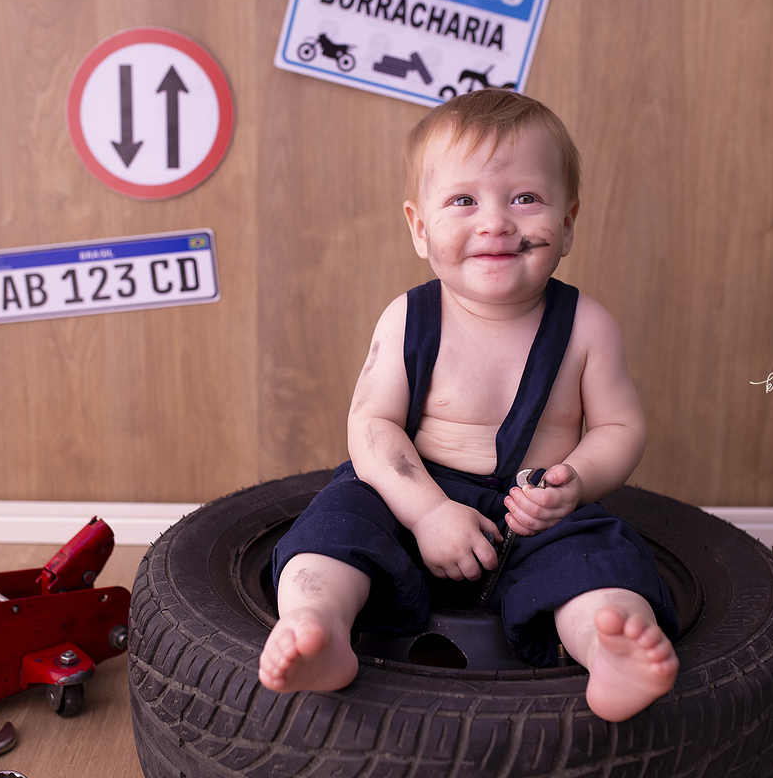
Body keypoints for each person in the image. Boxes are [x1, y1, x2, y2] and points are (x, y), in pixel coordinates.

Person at [259, 88, 679, 723]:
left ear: (566, 224)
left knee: (600, 561)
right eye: (464, 200)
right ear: (420, 230)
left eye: (526, 199)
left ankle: (607, 647)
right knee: (335, 527)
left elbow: (621, 426)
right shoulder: (409, 318)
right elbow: (371, 426)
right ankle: (317, 625)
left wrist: (575, 482)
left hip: (534, 510)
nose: (495, 222)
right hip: (414, 495)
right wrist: (428, 512)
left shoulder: (588, 326)